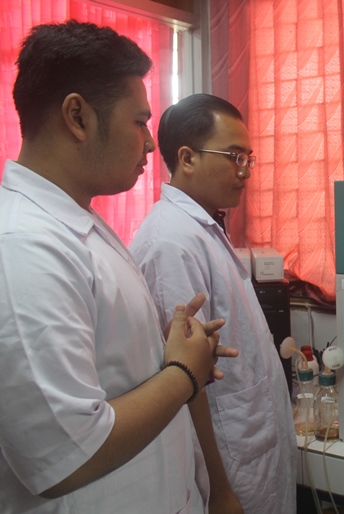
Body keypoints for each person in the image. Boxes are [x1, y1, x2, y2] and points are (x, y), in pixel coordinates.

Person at [0, 21, 240, 513]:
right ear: (78, 117)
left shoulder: (79, 221)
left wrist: (163, 347)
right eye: (139, 122)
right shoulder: (24, 245)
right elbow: (67, 455)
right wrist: (184, 372)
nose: (151, 144)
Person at [130, 94, 296, 513]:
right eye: (234, 156)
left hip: (252, 445)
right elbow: (187, 380)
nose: (245, 171)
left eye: (249, 158)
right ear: (187, 158)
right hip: (228, 469)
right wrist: (219, 490)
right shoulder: (170, 243)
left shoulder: (203, 227)